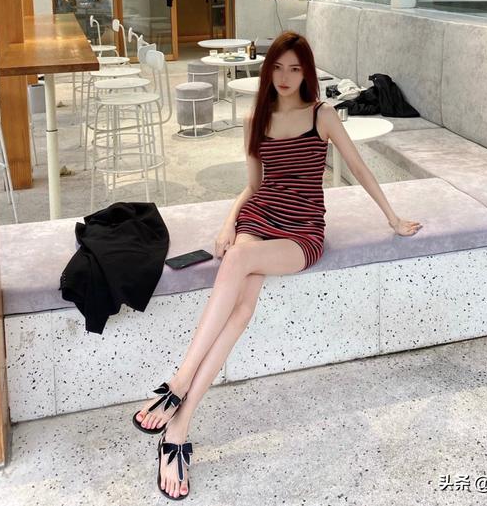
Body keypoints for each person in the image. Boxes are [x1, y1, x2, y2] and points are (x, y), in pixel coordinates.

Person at [132, 31, 422, 500]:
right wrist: (228, 223)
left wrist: (392, 217)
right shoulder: (257, 118)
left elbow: (359, 167)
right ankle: (178, 430)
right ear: (268, 71)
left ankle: (179, 384)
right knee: (241, 309)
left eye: (295, 68)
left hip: (302, 229)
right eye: (279, 68)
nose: (286, 77)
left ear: (307, 73)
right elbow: (253, 187)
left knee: (241, 266)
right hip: (259, 216)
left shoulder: (322, 115)